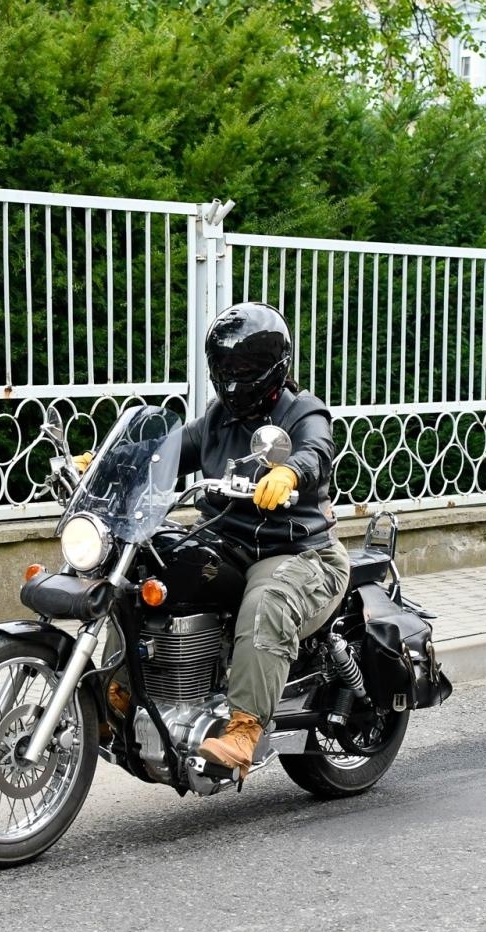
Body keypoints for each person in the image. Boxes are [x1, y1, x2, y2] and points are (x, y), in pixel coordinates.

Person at [75, 302, 348, 778]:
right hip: (229, 544)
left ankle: (243, 729)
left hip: (299, 551)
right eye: (225, 366)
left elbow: (317, 450)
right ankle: (120, 691)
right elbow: (166, 452)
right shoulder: (219, 419)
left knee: (267, 600)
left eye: (244, 367)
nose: (233, 377)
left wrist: (289, 471)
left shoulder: (302, 411)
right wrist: (109, 460)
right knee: (146, 570)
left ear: (273, 367)